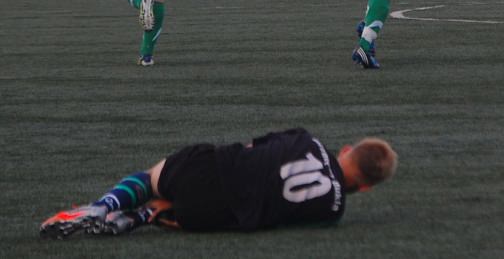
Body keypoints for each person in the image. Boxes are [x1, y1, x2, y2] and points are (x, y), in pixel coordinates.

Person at [39, 128, 397, 238]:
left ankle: (104, 206)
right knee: (176, 206)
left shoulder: (307, 139)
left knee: (151, 178)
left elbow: (254, 146)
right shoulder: (332, 211)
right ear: (365, 187)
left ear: (347, 149)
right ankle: (141, 217)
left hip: (211, 169)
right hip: (212, 216)